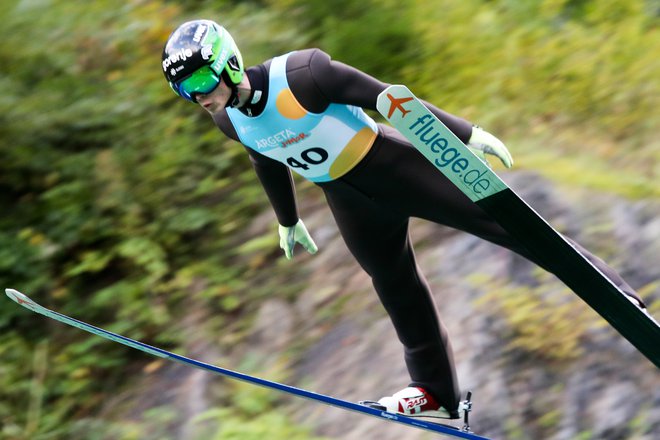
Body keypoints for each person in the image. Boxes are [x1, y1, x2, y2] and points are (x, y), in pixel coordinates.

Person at [161, 19, 647, 419]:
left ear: (227, 62)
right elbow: (264, 161)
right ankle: (436, 391)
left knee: (512, 228)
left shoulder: (304, 74)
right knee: (395, 286)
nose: (198, 96)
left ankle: (616, 293)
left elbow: (390, 99)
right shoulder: (228, 120)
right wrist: (287, 219)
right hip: (347, 199)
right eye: (185, 91)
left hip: (394, 166)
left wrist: (466, 133)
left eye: (201, 81)